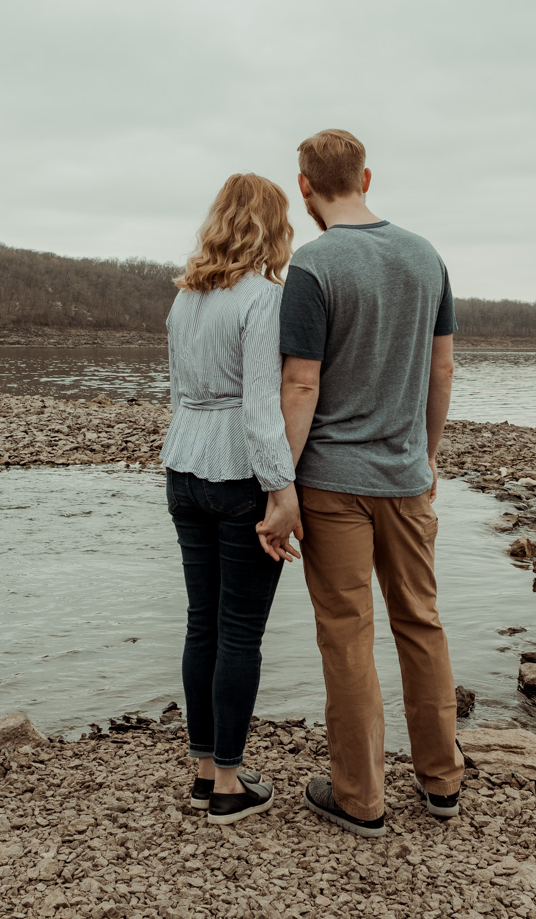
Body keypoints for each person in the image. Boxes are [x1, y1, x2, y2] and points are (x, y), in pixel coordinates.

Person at [277, 129, 465, 837]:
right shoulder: (426, 255)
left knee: (347, 634)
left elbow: (300, 384)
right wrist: (427, 455)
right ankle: (442, 781)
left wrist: (281, 484)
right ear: (366, 176)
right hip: (405, 476)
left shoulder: (313, 267)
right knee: (421, 620)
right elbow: (442, 371)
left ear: (304, 186)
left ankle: (361, 798)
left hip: (330, 481)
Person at [159, 172, 304, 825]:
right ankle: (226, 786)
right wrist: (283, 493)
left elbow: (178, 396)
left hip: (182, 468)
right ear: (272, 229)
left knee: (203, 623)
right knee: (240, 633)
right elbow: (260, 410)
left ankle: (199, 771)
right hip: (239, 476)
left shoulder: (185, 298)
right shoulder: (263, 299)